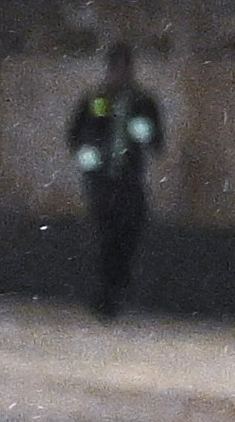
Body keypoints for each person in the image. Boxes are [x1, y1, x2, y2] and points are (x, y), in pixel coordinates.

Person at [68, 41, 169, 321]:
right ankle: (106, 296)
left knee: (127, 237)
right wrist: (87, 153)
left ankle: (117, 287)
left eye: (124, 69)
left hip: (129, 180)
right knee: (106, 237)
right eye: (116, 68)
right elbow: (76, 134)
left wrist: (145, 133)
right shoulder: (96, 100)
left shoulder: (142, 103)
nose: (120, 75)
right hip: (102, 181)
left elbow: (157, 142)